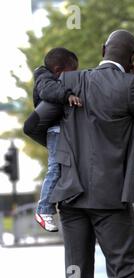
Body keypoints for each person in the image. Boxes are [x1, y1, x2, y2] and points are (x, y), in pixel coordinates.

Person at [23, 30, 134, 278]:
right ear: (132, 59)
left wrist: (64, 153)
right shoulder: (131, 86)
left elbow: (32, 125)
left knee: (76, 274)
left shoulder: (70, 81)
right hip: (111, 198)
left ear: (103, 49)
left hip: (70, 196)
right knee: (123, 269)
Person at [33, 48, 82, 232]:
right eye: (73, 70)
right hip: (54, 130)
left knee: (62, 166)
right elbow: (48, 91)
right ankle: (44, 209)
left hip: (60, 129)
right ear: (58, 69)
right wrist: (67, 95)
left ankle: (54, 204)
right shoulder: (44, 79)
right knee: (55, 167)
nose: (75, 75)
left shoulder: (51, 77)